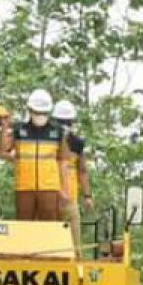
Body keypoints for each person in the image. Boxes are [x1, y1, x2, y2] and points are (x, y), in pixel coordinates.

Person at [0, 89, 68, 221]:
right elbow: (4, 149)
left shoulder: (57, 132)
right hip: (24, 187)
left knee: (50, 227)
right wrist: (5, 128)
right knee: (24, 226)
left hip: (49, 187)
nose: (40, 115)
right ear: (30, 110)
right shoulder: (20, 129)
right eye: (37, 112)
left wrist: (64, 190)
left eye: (43, 112)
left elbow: (63, 161)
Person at [52, 99, 94, 253]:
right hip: (49, 198)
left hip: (69, 199)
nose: (65, 126)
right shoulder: (48, 140)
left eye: (67, 122)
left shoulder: (77, 143)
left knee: (74, 246)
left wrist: (87, 196)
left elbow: (82, 170)